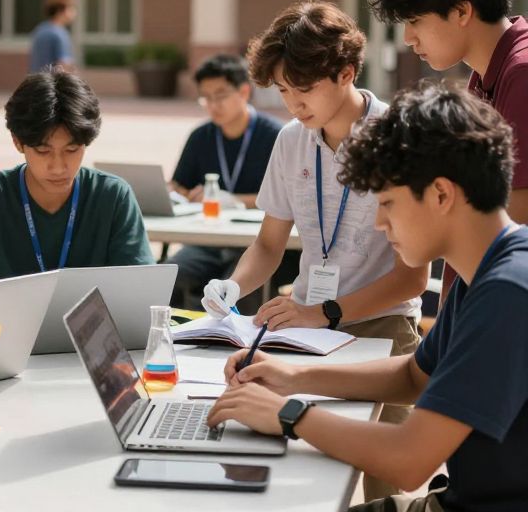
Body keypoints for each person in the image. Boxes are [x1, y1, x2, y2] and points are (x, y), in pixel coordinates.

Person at [208, 80, 528, 512]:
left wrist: (287, 415)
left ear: (440, 194)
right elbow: (416, 377)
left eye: (389, 203)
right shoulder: (489, 271)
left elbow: (408, 460)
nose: (379, 222)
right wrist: (292, 377)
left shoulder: (508, 291)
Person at [202, 1, 427, 499]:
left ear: (346, 72)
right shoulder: (290, 140)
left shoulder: (400, 137)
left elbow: (412, 278)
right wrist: (234, 286)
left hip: (382, 330)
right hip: (304, 331)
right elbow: (268, 243)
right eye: (282, 91)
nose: (292, 104)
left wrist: (322, 311)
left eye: (303, 89)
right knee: (294, 474)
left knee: (384, 486)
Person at [370, 0, 528, 305]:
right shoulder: (486, 75)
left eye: (415, 21)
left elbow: (512, 221)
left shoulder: (521, 74)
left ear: (461, 11)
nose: (408, 39)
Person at [0, 71, 155, 326]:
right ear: (17, 142)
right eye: (43, 151)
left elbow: (141, 297)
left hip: (92, 345)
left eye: (72, 150)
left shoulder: (113, 196)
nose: (58, 167)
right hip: (9, 345)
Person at [168, 54, 283, 308]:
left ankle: (233, 344)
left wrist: (234, 200)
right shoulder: (201, 136)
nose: (212, 105)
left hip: (255, 242)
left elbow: (284, 201)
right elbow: (177, 186)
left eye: (219, 95)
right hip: (209, 241)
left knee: (233, 286)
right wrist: (188, 194)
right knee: (167, 275)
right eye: (205, 98)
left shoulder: (275, 136)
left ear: (243, 91)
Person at [28, 0, 76, 72]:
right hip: (53, 82)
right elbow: (63, 64)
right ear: (60, 11)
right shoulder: (59, 33)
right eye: (71, 8)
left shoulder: (40, 29)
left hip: (37, 81)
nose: (74, 12)